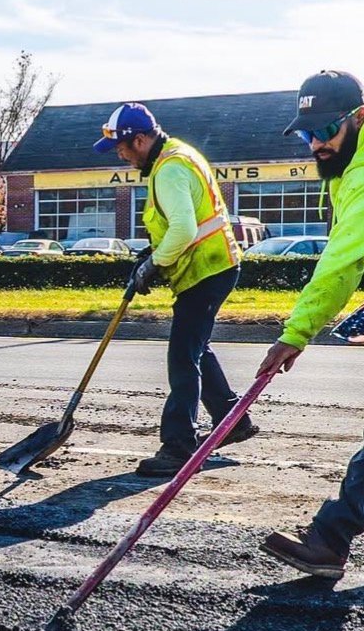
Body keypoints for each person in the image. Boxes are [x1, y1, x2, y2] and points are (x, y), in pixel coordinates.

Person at [257, 71, 364, 578]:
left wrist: (295, 332)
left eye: (325, 130)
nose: (317, 144)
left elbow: (342, 262)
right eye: (306, 134)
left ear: (361, 116)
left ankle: (331, 538)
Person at [94, 102, 251, 476]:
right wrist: (153, 253)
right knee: (196, 348)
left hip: (207, 269)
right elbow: (182, 223)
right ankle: (234, 420)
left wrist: (154, 264)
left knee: (183, 356)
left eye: (122, 147)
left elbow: (184, 229)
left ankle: (179, 447)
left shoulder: (170, 169)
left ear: (142, 139)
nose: (119, 154)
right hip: (215, 266)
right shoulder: (178, 155)